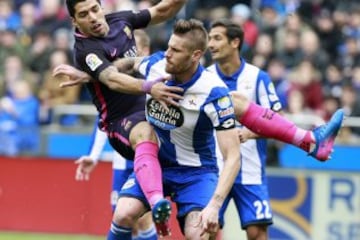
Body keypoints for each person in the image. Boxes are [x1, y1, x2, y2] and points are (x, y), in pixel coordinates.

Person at [54, 18, 344, 239]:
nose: (167, 54)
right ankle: (308, 141)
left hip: (197, 173)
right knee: (124, 213)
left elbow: (232, 156)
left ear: (195, 56)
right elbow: (130, 63)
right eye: (168, 47)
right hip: (157, 164)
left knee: (198, 232)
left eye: (175, 51)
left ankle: (308, 141)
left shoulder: (212, 93)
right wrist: (91, 73)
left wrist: (215, 205)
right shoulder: (156, 66)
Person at [60, 0, 188, 236]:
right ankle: (157, 200)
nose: (93, 17)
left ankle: (156, 208)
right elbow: (111, 79)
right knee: (145, 133)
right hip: (121, 124)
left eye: (95, 9)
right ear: (74, 21)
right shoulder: (85, 49)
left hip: (149, 112)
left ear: (102, 7)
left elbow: (163, 10)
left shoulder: (121, 20)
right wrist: (149, 87)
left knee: (125, 214)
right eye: (84, 14)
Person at [74, 30, 156, 240]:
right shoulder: (115, 84)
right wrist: (93, 156)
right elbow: (104, 122)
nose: (121, 57)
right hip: (122, 161)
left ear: (144, 51)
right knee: (120, 216)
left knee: (142, 217)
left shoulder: (156, 81)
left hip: (147, 156)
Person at [207, 18, 278, 240]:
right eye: (209, 38)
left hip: (250, 171)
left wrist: (248, 133)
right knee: (204, 229)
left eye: (217, 38)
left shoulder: (258, 77)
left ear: (235, 42)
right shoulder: (205, 77)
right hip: (213, 170)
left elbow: (277, 121)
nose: (210, 44)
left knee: (257, 233)